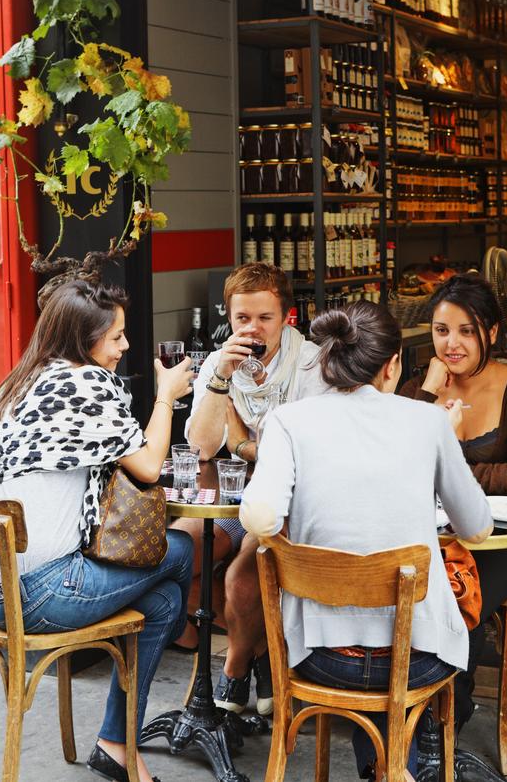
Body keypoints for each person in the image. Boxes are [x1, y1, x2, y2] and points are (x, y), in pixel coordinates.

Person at [240, 301, 492, 779]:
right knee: (436, 600)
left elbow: (260, 517)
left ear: (328, 359)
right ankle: (396, 768)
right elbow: (477, 526)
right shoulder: (429, 421)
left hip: (320, 656)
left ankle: (385, 767)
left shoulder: (287, 423)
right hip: (418, 657)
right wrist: (446, 444)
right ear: (394, 364)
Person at [0, 279, 194, 782]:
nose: (125, 347)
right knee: (179, 552)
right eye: (116, 338)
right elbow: (151, 466)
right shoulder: (83, 385)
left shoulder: (18, 381)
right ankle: (136, 726)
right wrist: (166, 397)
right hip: (39, 592)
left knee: (162, 604)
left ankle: (116, 744)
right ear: (82, 340)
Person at [399, 272, 507, 728]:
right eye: (442, 331)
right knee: (411, 586)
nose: (452, 344)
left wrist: (449, 465)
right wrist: (427, 392)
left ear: (491, 331)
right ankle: (418, 712)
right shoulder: (420, 387)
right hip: (440, 539)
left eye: (467, 331)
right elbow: (399, 463)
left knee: (452, 596)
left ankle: (442, 720)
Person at [174, 262, 328, 716]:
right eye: (243, 319)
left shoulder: (313, 365)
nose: (253, 329)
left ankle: (235, 668)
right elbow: (200, 448)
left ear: (286, 317)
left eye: (265, 318)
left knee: (244, 576)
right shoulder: (221, 365)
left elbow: (305, 454)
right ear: (230, 316)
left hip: (292, 504)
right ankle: (264, 653)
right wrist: (221, 377)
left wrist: (242, 444)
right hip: (233, 499)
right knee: (175, 556)